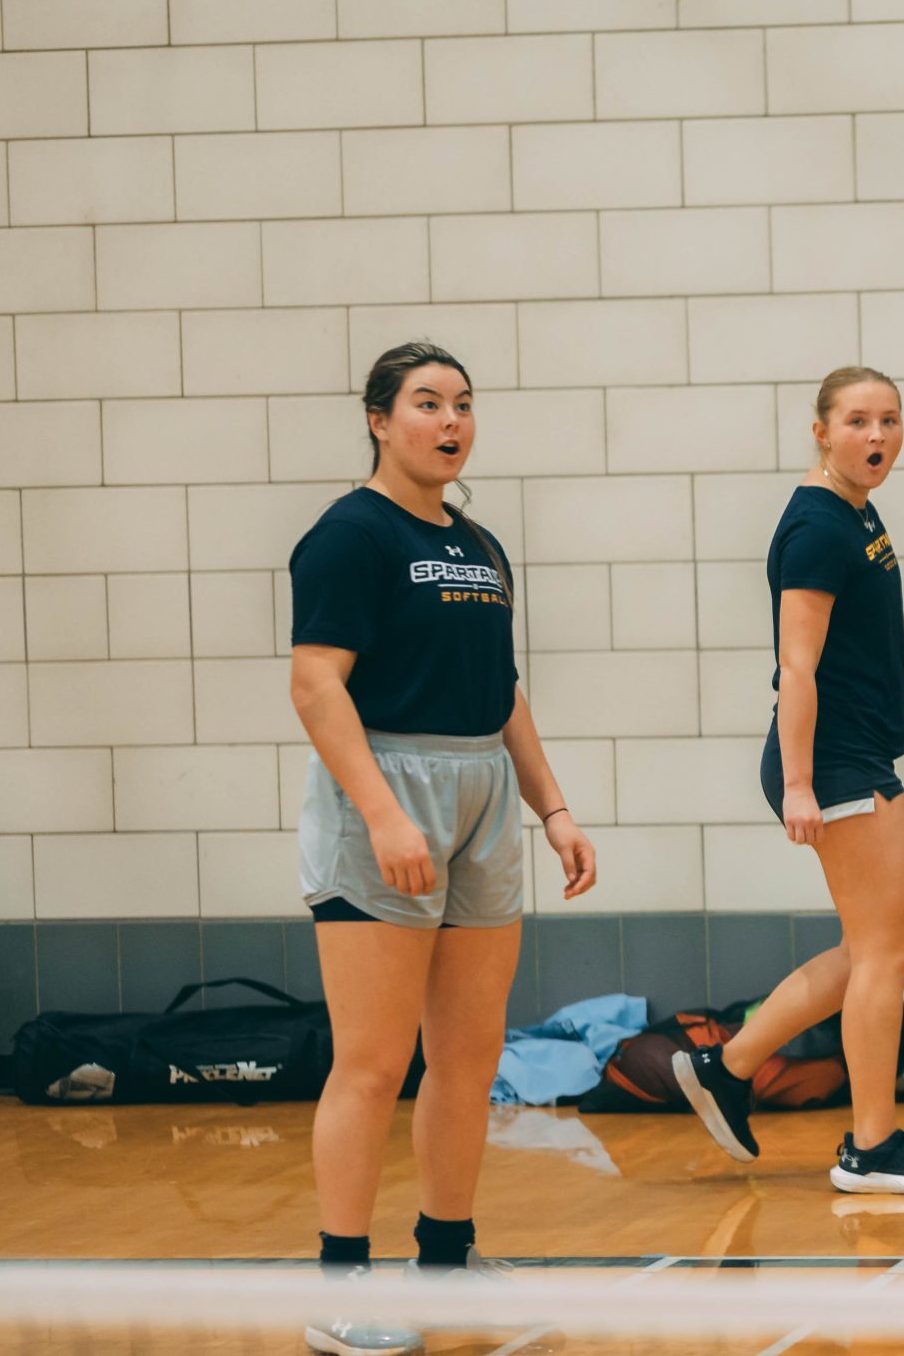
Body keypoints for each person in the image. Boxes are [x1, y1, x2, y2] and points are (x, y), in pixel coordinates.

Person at [289, 342, 599, 1356]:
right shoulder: (348, 536)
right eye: (426, 403)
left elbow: (503, 690)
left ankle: (449, 1259)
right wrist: (381, 813)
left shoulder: (479, 545)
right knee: (372, 1062)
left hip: (483, 792)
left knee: (467, 1060)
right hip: (387, 786)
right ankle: (340, 1283)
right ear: (379, 419)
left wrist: (552, 808)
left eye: (462, 403)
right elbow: (316, 684)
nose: (450, 420)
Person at [672, 367, 904, 1195]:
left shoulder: (859, 511)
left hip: (856, 753)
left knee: (869, 949)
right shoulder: (818, 526)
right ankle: (870, 1145)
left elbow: (883, 640)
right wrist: (801, 785)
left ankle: (728, 1066)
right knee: (889, 949)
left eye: (889, 420)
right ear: (821, 430)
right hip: (837, 760)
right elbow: (798, 664)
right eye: (858, 421)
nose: (877, 436)